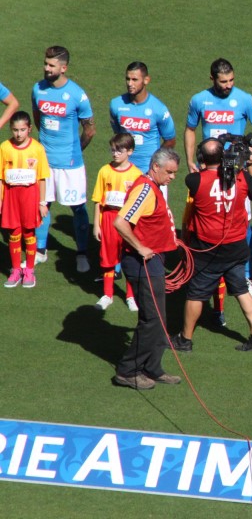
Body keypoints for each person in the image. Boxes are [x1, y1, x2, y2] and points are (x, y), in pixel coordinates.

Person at [171, 138, 252, 353]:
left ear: (202, 158)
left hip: (207, 250)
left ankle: (185, 339)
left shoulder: (194, 180)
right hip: (236, 246)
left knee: (196, 294)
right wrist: (250, 165)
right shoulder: (241, 176)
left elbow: (201, 179)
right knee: (241, 290)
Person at [185, 58, 252, 298]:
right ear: (212, 79)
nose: (228, 85)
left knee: (243, 220)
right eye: (223, 81)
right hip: (209, 167)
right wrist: (190, 160)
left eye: (231, 80)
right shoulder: (199, 100)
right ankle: (202, 266)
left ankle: (245, 275)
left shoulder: (244, 99)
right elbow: (190, 129)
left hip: (235, 167)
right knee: (204, 216)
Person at [112, 148, 181, 390]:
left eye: (174, 173)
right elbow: (120, 221)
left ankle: (152, 366)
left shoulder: (154, 187)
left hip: (154, 261)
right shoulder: (144, 190)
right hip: (142, 263)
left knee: (159, 318)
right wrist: (140, 247)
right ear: (155, 167)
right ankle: (127, 370)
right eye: (169, 172)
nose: (172, 177)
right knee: (152, 319)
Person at [32, 45, 95, 272]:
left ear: (63, 68)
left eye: (51, 65)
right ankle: (40, 250)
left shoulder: (77, 95)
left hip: (70, 164)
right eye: (45, 63)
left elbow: (90, 130)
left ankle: (81, 253)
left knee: (78, 208)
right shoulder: (38, 89)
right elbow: (38, 119)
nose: (46, 68)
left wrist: (76, 151)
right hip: (45, 162)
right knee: (42, 204)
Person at [91, 134, 142, 311]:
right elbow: (98, 200)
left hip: (127, 221)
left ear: (130, 151)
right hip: (108, 218)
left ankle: (130, 296)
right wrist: (96, 225)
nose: (115, 153)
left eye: (119, 150)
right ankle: (107, 295)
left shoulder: (136, 174)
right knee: (108, 257)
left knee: (129, 257)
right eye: (113, 150)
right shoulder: (104, 171)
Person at [0, 112, 49, 288]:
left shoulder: (37, 149)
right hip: (11, 196)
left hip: (30, 196)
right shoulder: (4, 147)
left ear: (29, 129)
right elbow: (1, 178)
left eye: (22, 130)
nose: (19, 134)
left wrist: (42, 203)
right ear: (10, 129)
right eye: (15, 130)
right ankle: (15, 270)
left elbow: (42, 178)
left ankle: (29, 270)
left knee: (28, 232)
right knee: (14, 233)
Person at [109, 62, 176, 174]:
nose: (130, 83)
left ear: (146, 80)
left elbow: (170, 141)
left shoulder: (159, 108)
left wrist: (155, 163)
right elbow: (118, 134)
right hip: (124, 170)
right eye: (127, 79)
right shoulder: (116, 104)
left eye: (134, 80)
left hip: (148, 172)